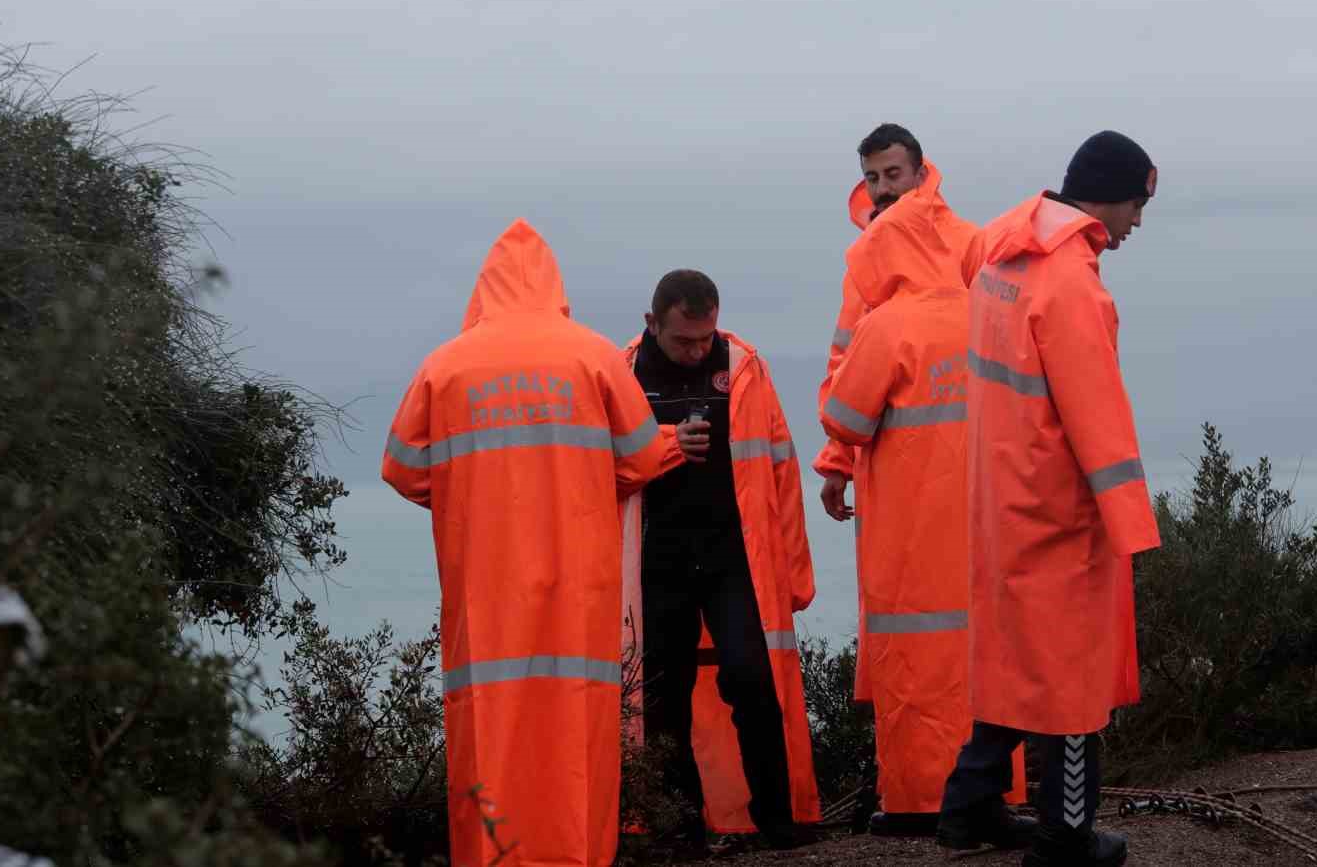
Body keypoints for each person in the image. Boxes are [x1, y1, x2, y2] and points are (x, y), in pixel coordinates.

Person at [381, 220, 689, 867]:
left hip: (484, 593)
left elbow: (403, 469)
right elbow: (639, 458)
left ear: (484, 289)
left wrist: (472, 493)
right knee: (577, 735)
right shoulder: (595, 355)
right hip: (578, 590)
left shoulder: (447, 365)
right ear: (555, 286)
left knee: (490, 733)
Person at [938, 132, 1162, 866]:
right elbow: (1099, 421)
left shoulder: (1001, 255)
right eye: (1138, 206)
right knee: (1068, 680)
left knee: (1010, 661)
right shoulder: (1073, 285)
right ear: (1111, 196)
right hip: (1054, 510)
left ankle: (967, 808)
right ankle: (1067, 837)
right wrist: (1133, 529)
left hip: (996, 493)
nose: (1137, 224)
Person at [818, 189, 1030, 843]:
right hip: (984, 527)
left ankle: (916, 799)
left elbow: (844, 418)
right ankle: (994, 794)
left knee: (912, 670)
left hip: (908, 537)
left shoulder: (888, 323)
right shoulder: (989, 312)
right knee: (985, 660)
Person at [620, 270, 820, 850]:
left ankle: (778, 822)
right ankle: (678, 829)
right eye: (683, 340)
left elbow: (782, 470)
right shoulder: (623, 371)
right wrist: (667, 446)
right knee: (664, 695)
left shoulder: (745, 366)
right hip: (658, 560)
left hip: (735, 558)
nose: (696, 350)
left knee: (753, 681)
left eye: (705, 338)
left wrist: (795, 575)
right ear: (652, 323)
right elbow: (601, 466)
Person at [812, 124, 978, 815]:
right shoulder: (907, 257)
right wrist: (836, 466)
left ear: (919, 171)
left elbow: (849, 389)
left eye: (892, 174)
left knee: (910, 641)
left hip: (910, 492)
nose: (883, 188)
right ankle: (984, 791)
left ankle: (917, 796)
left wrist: (836, 456)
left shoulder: (915, 263)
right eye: (873, 176)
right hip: (966, 488)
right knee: (975, 639)